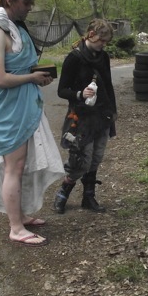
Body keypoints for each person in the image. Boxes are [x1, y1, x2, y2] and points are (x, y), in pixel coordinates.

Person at [0, 0, 64, 247]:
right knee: (13, 167)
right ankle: (16, 227)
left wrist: (35, 75)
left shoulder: (12, 26)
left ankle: (21, 215)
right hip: (5, 112)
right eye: (26, 2)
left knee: (20, 165)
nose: (29, 7)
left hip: (18, 107)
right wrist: (32, 78)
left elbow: (16, 66)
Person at [53, 19, 117, 215]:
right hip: (81, 117)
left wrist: (113, 111)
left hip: (102, 115)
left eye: (106, 42)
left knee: (96, 157)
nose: (103, 45)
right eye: (101, 41)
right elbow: (62, 90)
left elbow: (108, 84)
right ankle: (64, 191)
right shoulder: (74, 58)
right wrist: (80, 94)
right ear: (91, 35)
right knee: (81, 159)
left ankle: (88, 197)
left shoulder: (103, 57)